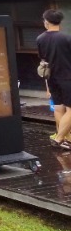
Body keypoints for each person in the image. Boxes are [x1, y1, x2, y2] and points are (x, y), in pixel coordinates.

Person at [36, 9, 71, 150]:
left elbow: (44, 62)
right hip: (68, 78)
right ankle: (59, 138)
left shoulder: (40, 39)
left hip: (51, 78)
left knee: (58, 108)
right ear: (59, 22)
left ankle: (65, 138)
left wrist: (47, 86)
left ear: (46, 22)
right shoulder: (66, 38)